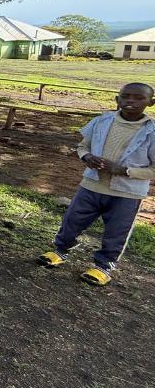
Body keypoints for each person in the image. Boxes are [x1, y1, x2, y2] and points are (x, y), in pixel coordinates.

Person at [38, 83, 155, 285]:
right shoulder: (102, 121)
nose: (131, 101)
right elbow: (83, 146)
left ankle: (103, 266)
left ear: (151, 102)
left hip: (127, 193)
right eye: (125, 96)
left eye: (138, 98)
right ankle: (60, 250)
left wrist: (125, 171)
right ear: (117, 100)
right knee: (73, 219)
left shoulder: (151, 132)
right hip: (91, 186)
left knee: (117, 230)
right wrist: (87, 157)